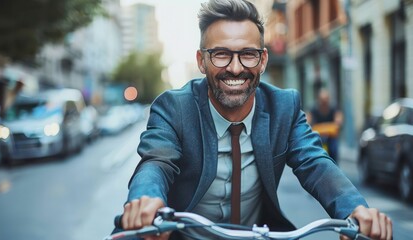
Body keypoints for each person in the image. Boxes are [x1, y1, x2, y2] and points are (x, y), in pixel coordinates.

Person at [113, 0, 392, 239]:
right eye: (221, 54)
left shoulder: (285, 106)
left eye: (248, 54)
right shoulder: (174, 107)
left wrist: (355, 208)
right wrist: (146, 200)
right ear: (201, 61)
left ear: (263, 60)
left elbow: (314, 162)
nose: (235, 68)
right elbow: (156, 163)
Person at [307, 89, 343, 162]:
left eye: (326, 100)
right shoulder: (314, 108)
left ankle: (334, 164)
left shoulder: (333, 107)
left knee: (333, 149)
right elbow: (308, 119)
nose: (324, 102)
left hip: (331, 136)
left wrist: (338, 122)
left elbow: (338, 118)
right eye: (322, 100)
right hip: (318, 135)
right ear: (319, 100)